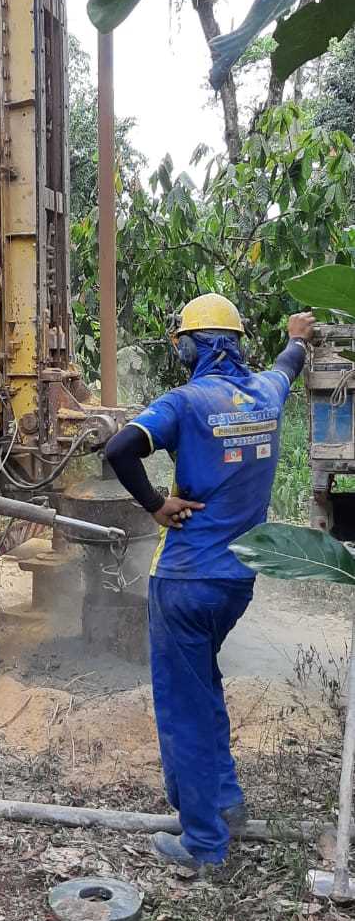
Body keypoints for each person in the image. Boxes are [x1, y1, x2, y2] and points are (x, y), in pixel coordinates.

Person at [105, 294, 315, 872]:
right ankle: (225, 801)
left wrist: (154, 504)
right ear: (237, 342)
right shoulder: (266, 395)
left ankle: (202, 843)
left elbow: (119, 448)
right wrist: (298, 336)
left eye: (181, 341)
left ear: (191, 346)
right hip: (238, 580)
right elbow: (288, 364)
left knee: (184, 707)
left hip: (185, 581)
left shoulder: (186, 402)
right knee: (204, 684)